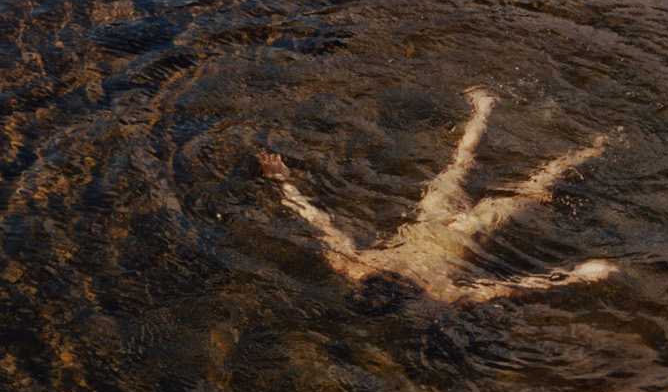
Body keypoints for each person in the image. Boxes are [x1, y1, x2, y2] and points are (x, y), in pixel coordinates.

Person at [257, 87, 618, 305]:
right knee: (536, 186)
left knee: (459, 163)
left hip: (432, 218)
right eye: (404, 280)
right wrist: (579, 276)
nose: (400, 271)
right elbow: (508, 287)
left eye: (390, 273)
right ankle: (596, 148)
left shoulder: (354, 265)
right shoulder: (439, 294)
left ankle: (484, 107)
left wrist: (284, 184)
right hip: (471, 230)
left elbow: (319, 221)